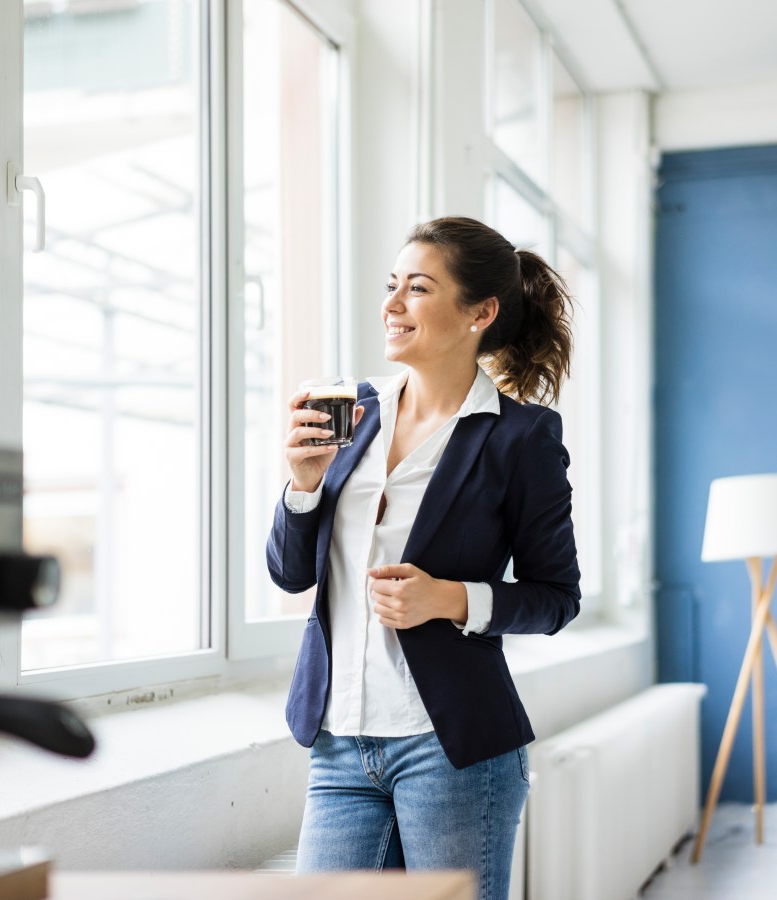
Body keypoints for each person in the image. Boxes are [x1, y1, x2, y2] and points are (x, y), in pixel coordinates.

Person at [266, 215, 581, 900]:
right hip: (338, 742)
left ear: (481, 313)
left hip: (453, 748)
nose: (392, 304)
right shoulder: (352, 413)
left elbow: (557, 596)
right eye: (391, 286)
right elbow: (292, 574)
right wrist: (302, 482)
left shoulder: (520, 437)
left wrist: (453, 599)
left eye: (417, 288)